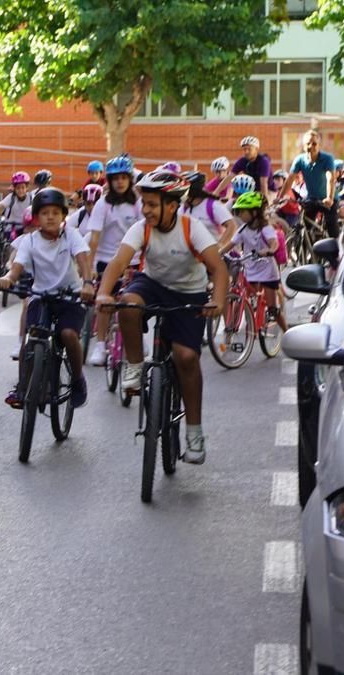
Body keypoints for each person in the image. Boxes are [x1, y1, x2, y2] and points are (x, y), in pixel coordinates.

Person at [94, 170, 228, 464]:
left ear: (172, 205)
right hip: (152, 284)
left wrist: (217, 301)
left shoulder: (192, 228)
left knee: (186, 359)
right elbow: (119, 261)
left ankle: (194, 433)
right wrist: (103, 294)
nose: (146, 210)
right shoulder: (141, 228)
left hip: (189, 294)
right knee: (128, 304)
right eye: (145, 204)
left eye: (153, 204)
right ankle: (134, 366)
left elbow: (218, 269)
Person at [0, 188, 94, 410]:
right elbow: (17, 266)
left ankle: (78, 379)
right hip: (41, 296)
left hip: (70, 295)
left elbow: (83, 260)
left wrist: (87, 283)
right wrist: (8, 277)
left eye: (55, 212)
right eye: (44, 213)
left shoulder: (71, 235)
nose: (50, 217)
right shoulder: (30, 240)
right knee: (30, 337)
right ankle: (23, 387)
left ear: (63, 216)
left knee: (69, 334)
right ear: (37, 217)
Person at [85, 153, 141, 366]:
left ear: (129, 179)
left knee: (135, 304)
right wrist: (89, 267)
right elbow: (94, 237)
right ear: (109, 180)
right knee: (105, 302)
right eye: (115, 178)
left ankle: (138, 339)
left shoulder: (138, 203)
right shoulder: (102, 205)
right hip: (106, 260)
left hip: (134, 261)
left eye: (124, 178)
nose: (120, 182)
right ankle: (100, 345)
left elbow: (146, 233)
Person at [222, 191, 288, 335]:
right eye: (237, 211)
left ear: (254, 212)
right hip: (250, 268)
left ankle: (288, 333)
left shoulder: (266, 229)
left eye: (242, 211)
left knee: (272, 309)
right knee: (241, 295)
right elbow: (230, 244)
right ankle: (232, 326)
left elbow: (274, 243)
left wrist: (269, 250)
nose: (238, 214)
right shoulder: (242, 230)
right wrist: (217, 253)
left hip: (267, 271)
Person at [279, 129, 339, 239]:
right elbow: (290, 179)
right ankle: (307, 250)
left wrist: (329, 198)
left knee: (332, 227)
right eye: (308, 144)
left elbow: (330, 177)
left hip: (328, 199)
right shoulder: (300, 160)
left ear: (319, 145)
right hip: (312, 199)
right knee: (303, 228)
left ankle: (338, 254)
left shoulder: (327, 158)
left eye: (314, 144)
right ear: (303, 146)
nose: (311, 146)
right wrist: (280, 197)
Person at [181, 171, 239, 248]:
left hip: (211, 254)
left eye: (183, 192)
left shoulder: (212, 205)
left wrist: (219, 246)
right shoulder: (183, 208)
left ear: (192, 192)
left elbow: (232, 226)